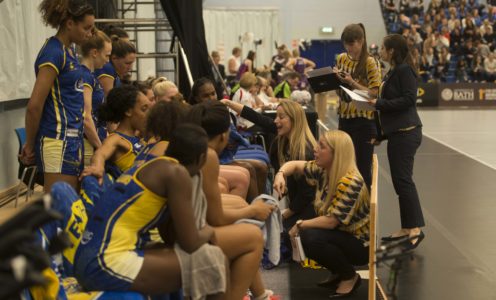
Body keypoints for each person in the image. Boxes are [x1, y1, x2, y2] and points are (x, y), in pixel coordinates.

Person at [74, 124, 228, 299]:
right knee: (213, 261)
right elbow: (190, 243)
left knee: (171, 252)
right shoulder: (176, 173)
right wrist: (209, 232)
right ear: (202, 159)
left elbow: (168, 236)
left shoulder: (155, 163)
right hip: (103, 263)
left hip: (86, 258)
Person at [187, 101, 277, 300]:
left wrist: (247, 209)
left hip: (183, 224)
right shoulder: (208, 156)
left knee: (239, 206)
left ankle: (258, 293)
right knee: (252, 235)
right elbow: (216, 218)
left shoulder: (192, 147)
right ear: (224, 135)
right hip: (184, 237)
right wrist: (253, 211)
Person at [273, 130, 370, 298]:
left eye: (321, 146)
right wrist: (280, 174)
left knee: (309, 237)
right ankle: (338, 271)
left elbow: (332, 221)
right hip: (342, 234)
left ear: (336, 153)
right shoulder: (325, 170)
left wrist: (300, 224)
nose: (315, 149)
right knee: (301, 236)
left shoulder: (350, 181)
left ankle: (349, 276)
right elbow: (295, 165)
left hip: (360, 245)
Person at [21, 0, 95, 192]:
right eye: (86, 28)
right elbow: (34, 106)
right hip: (58, 140)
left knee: (73, 211)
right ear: (70, 23)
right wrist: (29, 144)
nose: (89, 34)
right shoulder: (53, 53)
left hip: (73, 141)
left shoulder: (69, 51)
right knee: (59, 213)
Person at [368, 34, 424, 248]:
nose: (380, 50)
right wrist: (381, 135)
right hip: (396, 134)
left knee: (404, 181)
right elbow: (391, 103)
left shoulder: (405, 70)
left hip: (407, 133)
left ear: (391, 51)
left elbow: (409, 99)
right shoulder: (392, 72)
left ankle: (415, 229)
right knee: (400, 182)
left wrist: (379, 103)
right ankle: (407, 227)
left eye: (382, 47)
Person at [334, 23, 382, 189]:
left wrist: (352, 82)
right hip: (345, 119)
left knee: (362, 169)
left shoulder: (370, 62)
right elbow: (340, 92)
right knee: (343, 167)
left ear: (361, 41)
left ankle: (366, 210)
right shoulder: (341, 58)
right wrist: (334, 81)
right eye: (346, 44)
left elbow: (375, 93)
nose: (349, 48)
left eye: (352, 44)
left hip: (365, 122)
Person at [81, 85, 151, 181]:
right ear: (128, 111)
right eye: (144, 109)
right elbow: (100, 154)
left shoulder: (140, 138)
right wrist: (97, 167)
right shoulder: (116, 139)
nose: (149, 114)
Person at [80, 30, 112, 166]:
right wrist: (100, 148)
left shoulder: (91, 76)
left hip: (94, 140)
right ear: (94, 53)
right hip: (88, 144)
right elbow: (86, 117)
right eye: (107, 55)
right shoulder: (85, 76)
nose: (107, 60)